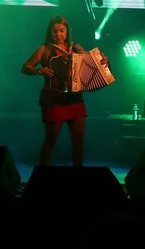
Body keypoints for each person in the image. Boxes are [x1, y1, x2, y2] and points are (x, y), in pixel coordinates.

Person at [21, 15, 108, 166]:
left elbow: (92, 62)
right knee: (50, 140)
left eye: (62, 30)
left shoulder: (75, 47)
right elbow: (25, 67)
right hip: (53, 100)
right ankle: (41, 173)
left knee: (78, 141)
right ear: (50, 32)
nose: (58, 34)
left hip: (75, 99)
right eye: (55, 31)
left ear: (67, 31)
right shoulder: (44, 49)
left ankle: (77, 175)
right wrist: (40, 71)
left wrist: (103, 61)